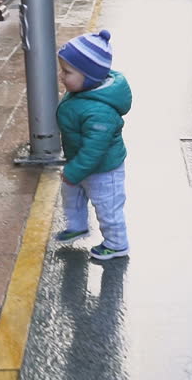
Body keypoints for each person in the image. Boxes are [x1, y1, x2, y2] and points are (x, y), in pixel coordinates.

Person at [55, 30, 133, 261]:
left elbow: (94, 150)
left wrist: (74, 170)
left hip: (103, 170)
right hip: (80, 162)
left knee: (107, 207)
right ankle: (77, 225)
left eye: (67, 72)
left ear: (88, 77)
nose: (61, 76)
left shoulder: (99, 112)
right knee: (72, 193)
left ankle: (117, 244)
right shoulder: (83, 93)